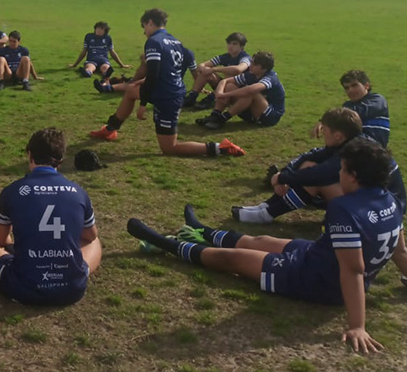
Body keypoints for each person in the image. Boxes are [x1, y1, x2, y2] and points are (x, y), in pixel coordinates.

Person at [127, 138, 407, 353]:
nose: (338, 176)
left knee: (234, 259)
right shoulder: (391, 201)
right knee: (261, 241)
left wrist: (357, 325)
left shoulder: (344, 208)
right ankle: (203, 230)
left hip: (318, 280)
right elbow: (400, 251)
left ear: (354, 176)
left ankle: (167, 244)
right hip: (320, 258)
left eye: (342, 171)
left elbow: (354, 270)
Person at [0, 128, 102, 305]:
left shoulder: (13, 191)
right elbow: (90, 236)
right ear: (61, 160)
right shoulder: (79, 192)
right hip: (72, 290)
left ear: (29, 154)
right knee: (95, 240)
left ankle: (22, 266)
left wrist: (13, 246)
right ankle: (73, 273)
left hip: (22, 288)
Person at [89, 8, 245, 157]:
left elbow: (154, 73)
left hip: (167, 97)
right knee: (130, 90)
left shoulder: (154, 42)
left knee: (170, 148)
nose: (144, 32)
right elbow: (171, 70)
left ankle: (220, 148)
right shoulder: (175, 41)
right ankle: (110, 129)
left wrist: (143, 104)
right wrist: (142, 83)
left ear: (150, 22)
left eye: (144, 26)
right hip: (167, 90)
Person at [232, 108, 406, 224]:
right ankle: (266, 207)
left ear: (337, 135)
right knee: (309, 165)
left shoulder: (355, 150)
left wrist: (282, 177)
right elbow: (312, 155)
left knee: (316, 179)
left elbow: (322, 173)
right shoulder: (352, 141)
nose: (322, 135)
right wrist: (284, 173)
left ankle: (267, 215)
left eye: (325, 131)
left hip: (384, 214)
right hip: (374, 202)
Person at [196, 51, 284, 131]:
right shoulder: (251, 74)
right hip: (251, 113)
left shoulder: (271, 78)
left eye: (254, 64)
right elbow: (225, 81)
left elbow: (250, 90)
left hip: (269, 117)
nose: (250, 65)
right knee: (230, 86)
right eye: (251, 62)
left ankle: (223, 118)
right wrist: (219, 93)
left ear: (264, 68)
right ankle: (215, 115)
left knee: (251, 92)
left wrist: (225, 95)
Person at [185, 32, 252, 109]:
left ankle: (212, 98)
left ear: (242, 47)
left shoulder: (245, 58)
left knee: (229, 76)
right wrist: (205, 69)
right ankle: (191, 97)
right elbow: (201, 66)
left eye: (234, 44)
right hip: (225, 85)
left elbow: (238, 69)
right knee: (206, 72)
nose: (231, 46)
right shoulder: (225, 56)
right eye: (229, 43)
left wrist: (214, 69)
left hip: (237, 89)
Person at [329, 70, 389, 147]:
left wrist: (329, 120)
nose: (350, 90)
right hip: (352, 148)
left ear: (366, 85)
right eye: (347, 88)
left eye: (354, 85)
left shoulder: (377, 100)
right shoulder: (347, 105)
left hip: (373, 151)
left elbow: (360, 111)